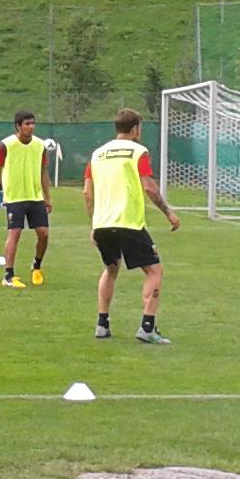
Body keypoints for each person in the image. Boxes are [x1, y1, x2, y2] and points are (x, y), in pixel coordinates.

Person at [84, 107, 179, 344]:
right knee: (154, 270)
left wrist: (94, 223)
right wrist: (168, 212)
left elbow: (87, 192)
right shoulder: (138, 151)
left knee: (111, 268)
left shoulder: (97, 154)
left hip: (103, 223)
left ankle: (102, 324)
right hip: (128, 222)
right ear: (136, 128)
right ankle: (147, 327)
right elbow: (149, 187)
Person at [0, 111, 52, 289]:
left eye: (33, 123)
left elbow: (43, 172)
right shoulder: (6, 145)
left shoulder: (40, 145)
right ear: (18, 126)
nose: (31, 127)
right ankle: (9, 275)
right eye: (27, 124)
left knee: (44, 234)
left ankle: (36, 266)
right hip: (15, 198)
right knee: (14, 234)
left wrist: (47, 196)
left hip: (35, 197)